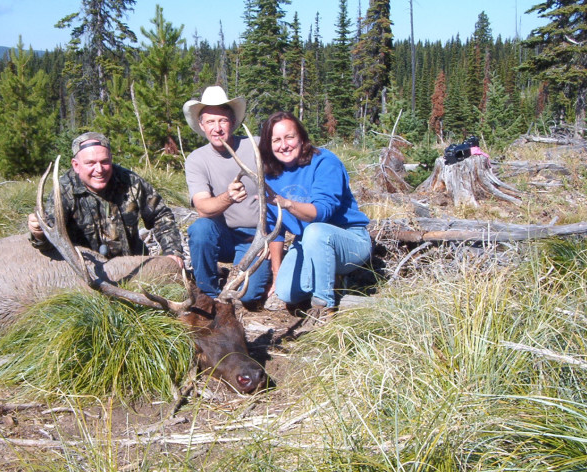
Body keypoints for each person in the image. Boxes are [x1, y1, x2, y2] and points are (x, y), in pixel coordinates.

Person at [259, 111, 371, 329]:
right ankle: (332, 279)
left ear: (301, 137)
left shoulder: (325, 162)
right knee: (286, 292)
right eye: (276, 140)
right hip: (308, 244)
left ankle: (323, 308)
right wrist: (276, 273)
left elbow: (322, 213)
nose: (284, 145)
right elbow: (275, 229)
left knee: (315, 231)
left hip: (350, 239)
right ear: (269, 145)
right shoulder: (270, 175)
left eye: (289, 137)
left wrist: (287, 203)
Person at [27, 131, 184, 268]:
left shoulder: (130, 181)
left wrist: (172, 252)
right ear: (76, 165)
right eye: (90, 163)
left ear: (111, 159)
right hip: (88, 271)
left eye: (104, 162)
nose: (99, 169)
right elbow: (49, 243)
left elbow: (160, 215)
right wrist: (38, 233)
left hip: (134, 267)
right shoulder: (63, 191)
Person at [183, 86, 271, 307]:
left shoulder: (257, 146)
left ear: (232, 122)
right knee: (200, 228)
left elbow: (289, 169)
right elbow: (203, 207)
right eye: (210, 122)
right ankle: (208, 295)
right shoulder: (196, 159)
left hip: (256, 236)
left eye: (222, 121)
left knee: (248, 296)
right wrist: (229, 197)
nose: (217, 128)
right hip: (221, 234)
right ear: (202, 125)